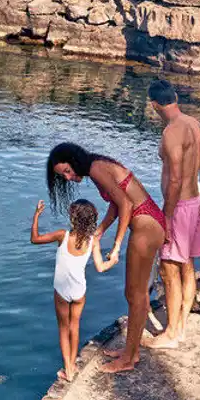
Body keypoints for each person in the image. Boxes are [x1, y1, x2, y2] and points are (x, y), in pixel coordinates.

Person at [46, 142, 165, 373]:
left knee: (135, 294)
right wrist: (101, 229)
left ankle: (129, 359)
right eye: (64, 176)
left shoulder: (95, 168)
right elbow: (116, 202)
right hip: (148, 222)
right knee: (135, 294)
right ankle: (132, 351)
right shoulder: (98, 165)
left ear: (76, 160)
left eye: (68, 171)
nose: (69, 178)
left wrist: (117, 244)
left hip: (145, 224)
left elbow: (126, 204)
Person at [148, 79, 200, 350]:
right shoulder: (194, 124)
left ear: (154, 105)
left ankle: (171, 334)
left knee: (169, 269)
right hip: (194, 202)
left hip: (179, 207)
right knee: (188, 266)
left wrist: (168, 217)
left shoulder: (171, 132)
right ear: (175, 98)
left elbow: (174, 180)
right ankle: (181, 327)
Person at [30, 198, 119, 381]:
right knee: (75, 326)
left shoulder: (63, 235)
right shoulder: (93, 240)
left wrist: (36, 215)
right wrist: (113, 261)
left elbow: (35, 239)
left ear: (73, 219)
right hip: (80, 291)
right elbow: (101, 267)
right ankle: (72, 364)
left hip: (62, 291)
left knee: (63, 328)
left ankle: (68, 370)